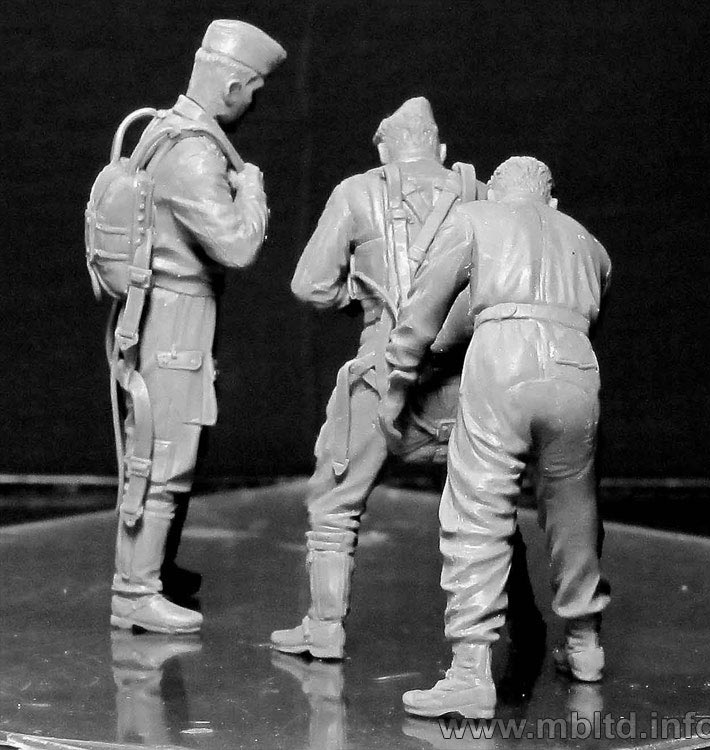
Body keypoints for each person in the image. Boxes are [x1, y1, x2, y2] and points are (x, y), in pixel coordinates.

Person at [381, 156, 612, 718]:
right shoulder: (592, 246)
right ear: (550, 200)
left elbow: (426, 305)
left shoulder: (475, 219)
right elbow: (593, 310)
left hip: (502, 358)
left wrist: (399, 376)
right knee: (574, 507)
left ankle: (470, 671)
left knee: (477, 506)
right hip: (576, 365)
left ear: (495, 193)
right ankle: (585, 644)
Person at [270, 97, 488, 659]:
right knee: (486, 510)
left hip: (380, 370)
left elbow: (309, 284)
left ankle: (325, 629)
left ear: (386, 149)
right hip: (463, 377)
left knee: (334, 503)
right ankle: (485, 649)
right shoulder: (480, 195)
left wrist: (364, 302)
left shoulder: (355, 192)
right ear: (439, 148)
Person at [110, 19, 286, 634]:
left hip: (170, 311)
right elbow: (238, 246)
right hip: (175, 315)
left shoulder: (164, 129)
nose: (253, 103)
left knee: (174, 441)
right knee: (166, 450)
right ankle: (135, 592)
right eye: (254, 91)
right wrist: (253, 192)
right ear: (234, 87)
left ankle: (154, 570)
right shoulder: (193, 154)